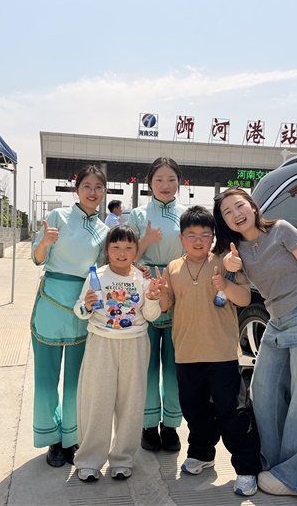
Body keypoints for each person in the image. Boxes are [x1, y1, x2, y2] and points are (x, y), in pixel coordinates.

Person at [213, 187, 297, 498]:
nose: (236, 214)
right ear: (224, 221)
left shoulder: (281, 230)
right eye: (228, 212)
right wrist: (229, 268)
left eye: (240, 206)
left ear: (253, 206)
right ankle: (272, 463)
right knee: (262, 392)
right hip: (276, 320)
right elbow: (241, 296)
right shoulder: (236, 251)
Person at [157, 206, 262, 497]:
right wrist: (158, 292)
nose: (198, 240)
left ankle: (246, 468)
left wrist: (225, 283)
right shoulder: (173, 268)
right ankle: (202, 454)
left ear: (213, 237)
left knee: (232, 412)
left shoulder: (226, 262)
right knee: (194, 409)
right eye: (191, 235)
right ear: (181, 238)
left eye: (205, 234)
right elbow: (165, 306)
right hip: (186, 354)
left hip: (222, 354)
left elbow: (243, 299)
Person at [30, 166, 109, 468]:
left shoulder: (104, 231)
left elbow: (103, 269)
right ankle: (52, 438)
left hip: (82, 304)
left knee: (77, 380)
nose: (92, 192)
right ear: (77, 189)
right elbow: (37, 258)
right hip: (51, 301)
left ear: (104, 192)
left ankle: (71, 438)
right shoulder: (57, 217)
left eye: (98, 187)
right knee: (46, 378)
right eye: (87, 185)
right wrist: (44, 243)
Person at [73, 225, 162, 482]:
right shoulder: (96, 276)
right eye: (116, 247)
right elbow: (80, 311)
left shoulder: (142, 279)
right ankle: (89, 460)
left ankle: (123, 459)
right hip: (101, 343)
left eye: (128, 247)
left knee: (131, 404)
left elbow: (152, 316)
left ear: (136, 250)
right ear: (107, 250)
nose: (122, 253)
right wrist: (86, 305)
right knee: (96, 402)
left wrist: (153, 298)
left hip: (135, 344)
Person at [127, 157, 188, 452]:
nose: (166, 185)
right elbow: (125, 255)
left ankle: (172, 424)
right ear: (149, 182)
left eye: (171, 179)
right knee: (147, 364)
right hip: (146, 289)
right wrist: (147, 242)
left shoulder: (187, 214)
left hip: (179, 289)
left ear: (180, 182)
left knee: (176, 364)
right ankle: (149, 424)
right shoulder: (137, 215)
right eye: (159, 180)